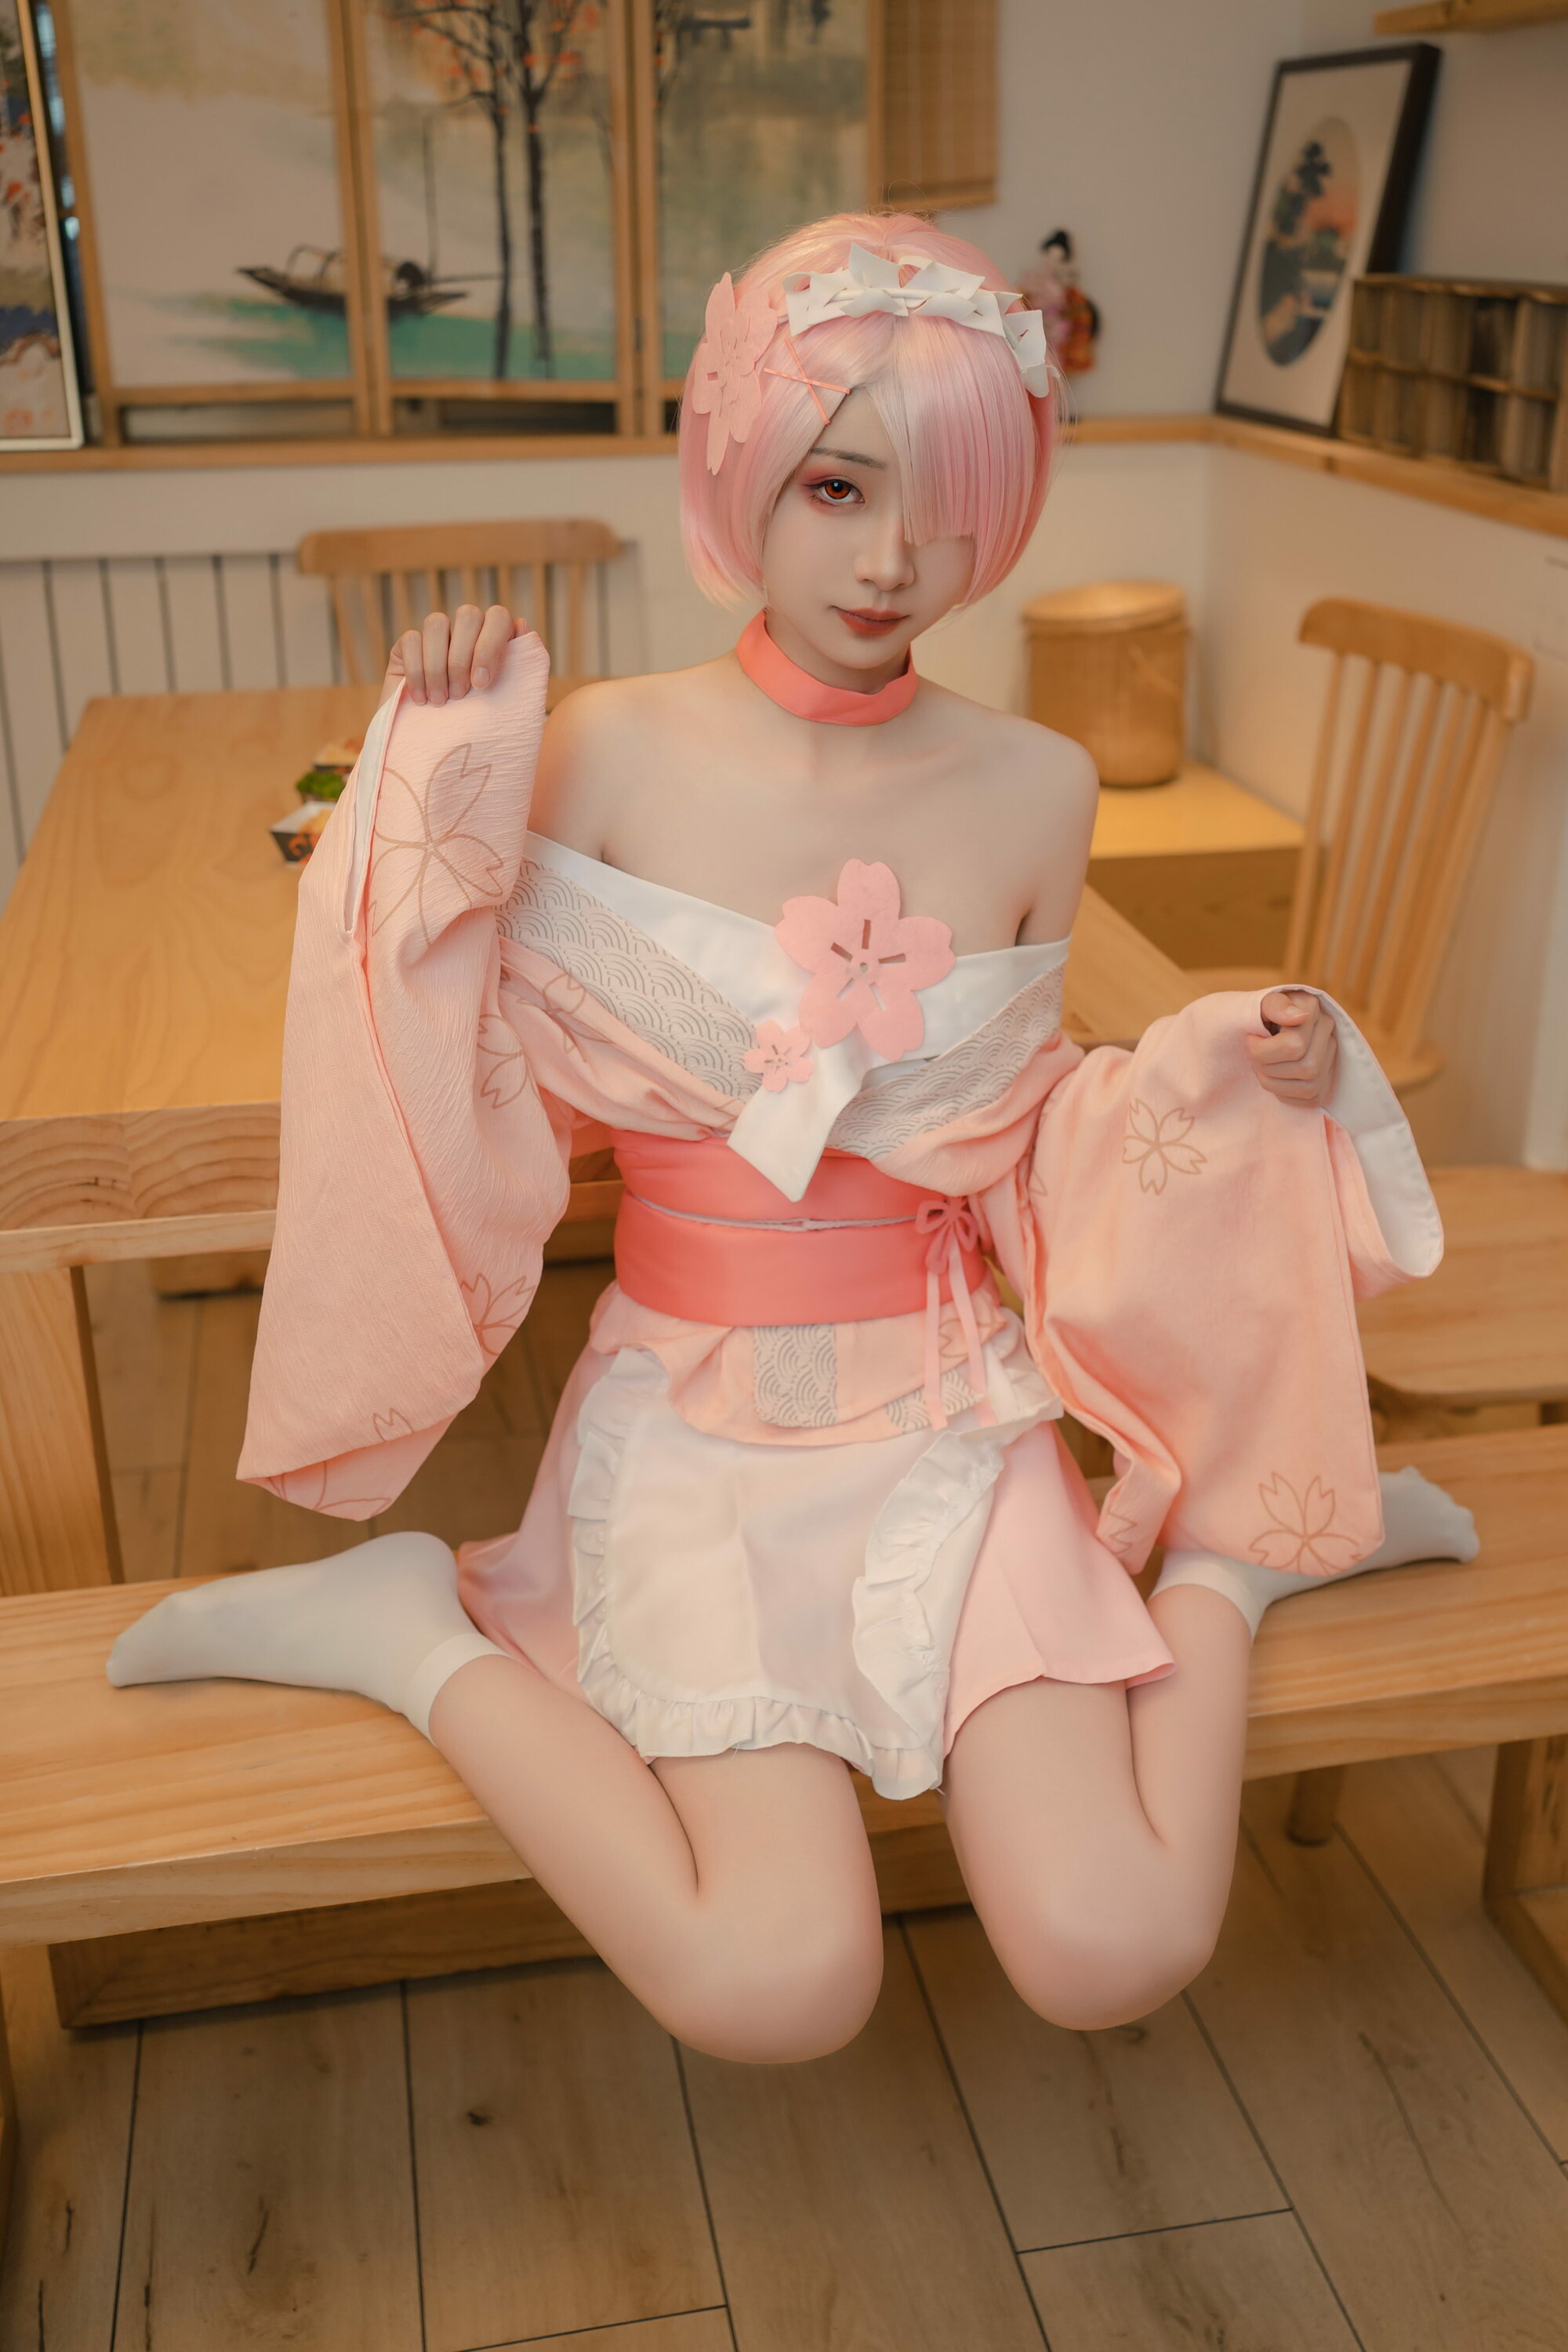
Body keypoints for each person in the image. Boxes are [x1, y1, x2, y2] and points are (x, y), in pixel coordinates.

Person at [107, 214, 1472, 2065]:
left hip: (951, 1415)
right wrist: (428, 758)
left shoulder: (1041, 784)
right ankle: (408, 1632)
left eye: (947, 507)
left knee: (1117, 1945)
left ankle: (1235, 1563)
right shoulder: (596, 748)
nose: (892, 559)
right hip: (696, 1428)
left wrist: (1237, 1066)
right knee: (778, 1982)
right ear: (739, 461)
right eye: (838, 486)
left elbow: (1026, 1132)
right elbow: (450, 1035)